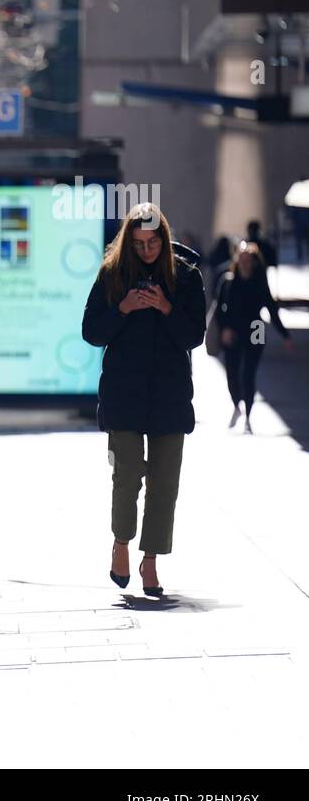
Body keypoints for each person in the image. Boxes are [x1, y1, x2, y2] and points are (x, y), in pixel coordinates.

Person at [81, 203, 205, 599]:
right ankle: (121, 542)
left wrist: (166, 308)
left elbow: (194, 336)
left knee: (165, 482)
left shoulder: (185, 277)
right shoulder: (112, 275)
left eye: (153, 243)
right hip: (124, 393)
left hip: (169, 395)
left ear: (164, 241)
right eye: (139, 244)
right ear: (127, 243)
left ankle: (150, 559)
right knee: (128, 473)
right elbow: (90, 331)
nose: (147, 250)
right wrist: (124, 308)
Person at [215, 241, 292, 434]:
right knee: (232, 372)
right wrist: (224, 329)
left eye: (248, 259)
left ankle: (248, 414)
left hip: (255, 329)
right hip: (232, 330)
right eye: (241, 258)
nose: (244, 263)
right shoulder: (228, 281)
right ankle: (236, 404)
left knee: (249, 373)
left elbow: (271, 309)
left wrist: (285, 335)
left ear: (254, 262)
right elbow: (219, 309)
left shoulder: (259, 283)